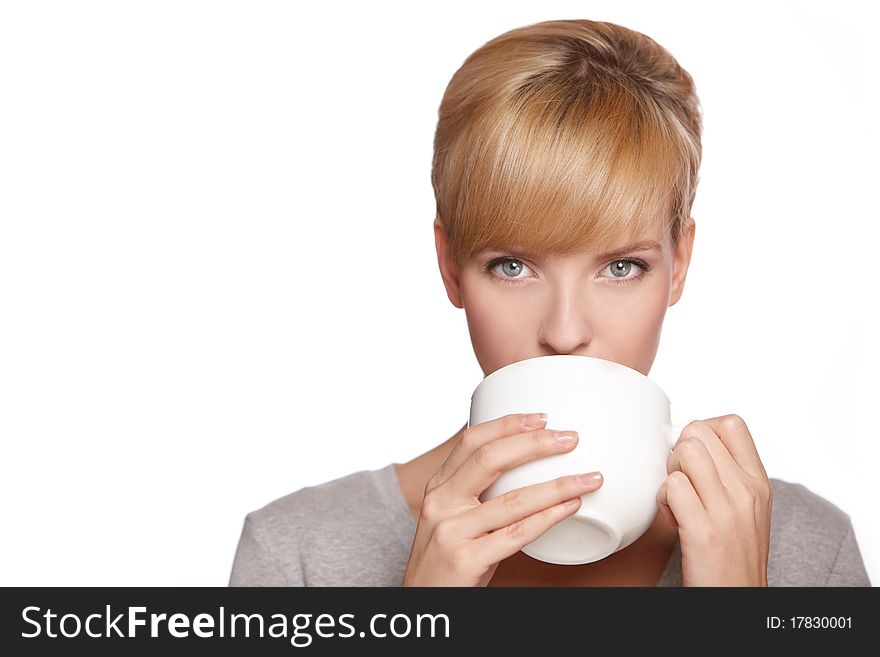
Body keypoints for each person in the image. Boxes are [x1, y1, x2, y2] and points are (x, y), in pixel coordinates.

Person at [228, 18, 871, 587]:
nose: (564, 332)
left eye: (622, 267)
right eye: (512, 265)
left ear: (680, 267)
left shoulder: (805, 553)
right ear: (450, 267)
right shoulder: (297, 556)